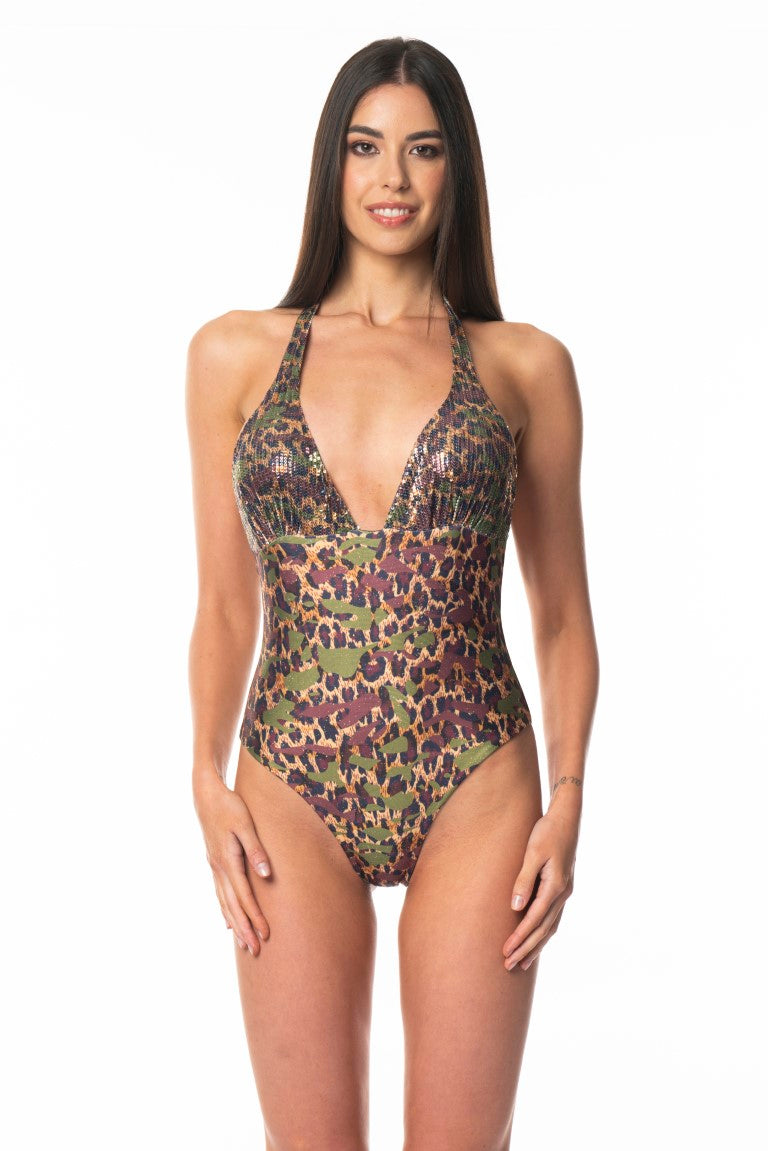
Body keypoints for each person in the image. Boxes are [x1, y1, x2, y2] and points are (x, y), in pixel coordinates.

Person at [185, 35, 599, 1151]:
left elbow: (563, 613)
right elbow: (223, 603)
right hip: (290, 778)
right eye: (366, 147)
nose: (393, 179)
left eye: (424, 150)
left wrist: (567, 797)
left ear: (458, 166)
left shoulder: (524, 365)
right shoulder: (234, 355)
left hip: (477, 779)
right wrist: (205, 776)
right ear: (333, 163)